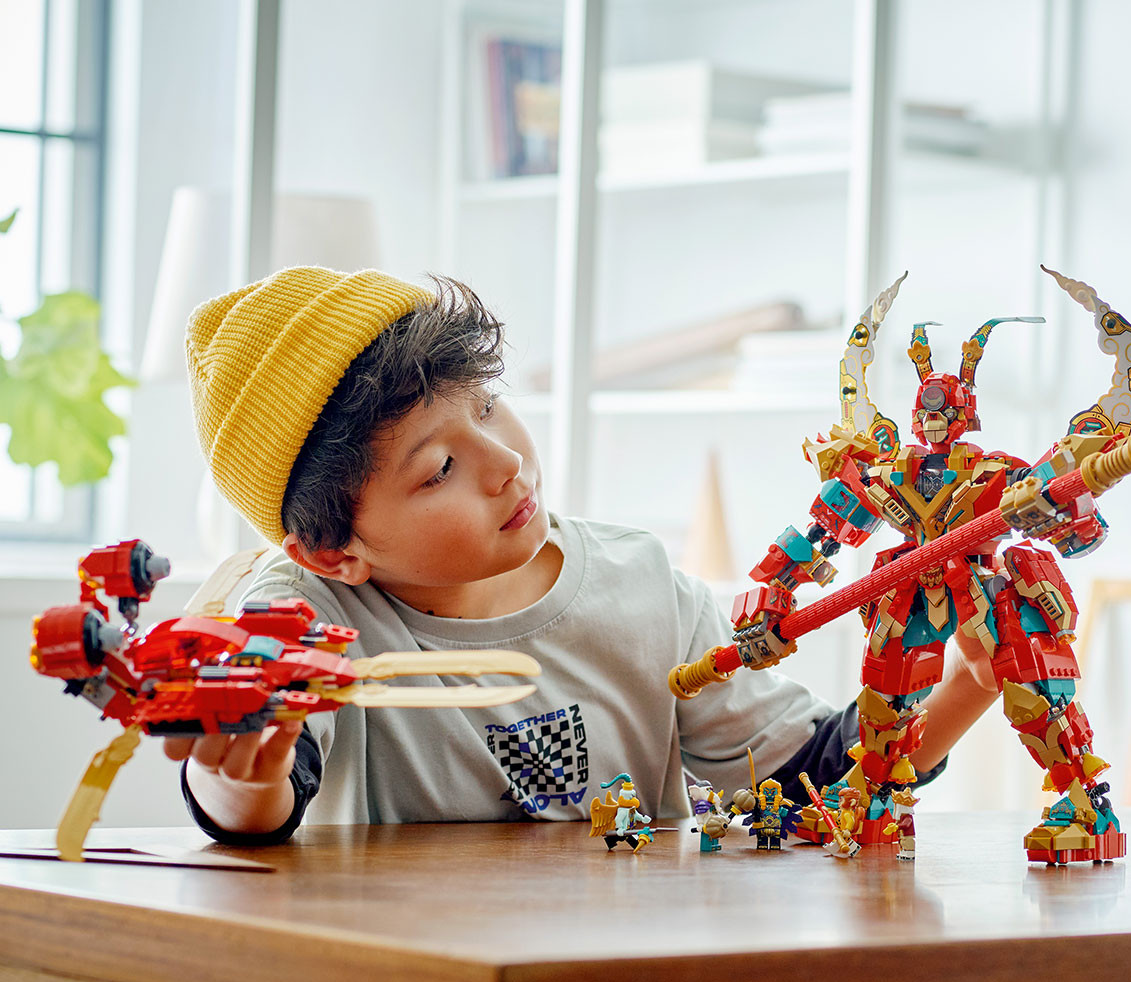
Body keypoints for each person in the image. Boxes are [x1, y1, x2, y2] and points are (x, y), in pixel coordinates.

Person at [167, 266, 998, 845]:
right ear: (331, 551)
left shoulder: (645, 588)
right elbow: (265, 782)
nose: (505, 463)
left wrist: (967, 685)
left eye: (487, 408)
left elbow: (818, 778)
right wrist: (240, 779)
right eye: (441, 468)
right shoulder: (304, 612)